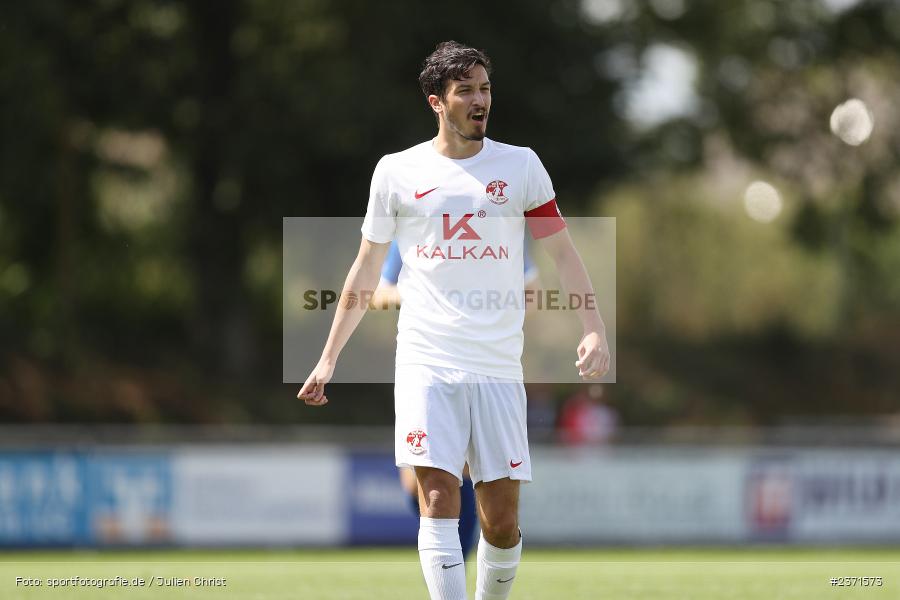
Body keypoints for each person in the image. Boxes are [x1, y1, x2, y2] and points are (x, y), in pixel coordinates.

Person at [298, 41, 610, 600]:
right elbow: (366, 268)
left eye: (485, 88)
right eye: (465, 90)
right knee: (438, 498)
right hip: (426, 362)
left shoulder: (521, 166)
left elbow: (564, 254)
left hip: (497, 368)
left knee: (501, 521)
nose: (480, 99)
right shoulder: (397, 172)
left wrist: (594, 328)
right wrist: (328, 358)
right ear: (436, 102)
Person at [375, 239, 541, 561]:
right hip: (426, 365)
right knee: (416, 485)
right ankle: (449, 557)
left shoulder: (499, 227)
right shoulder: (415, 228)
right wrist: (419, 295)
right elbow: (380, 293)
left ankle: (458, 564)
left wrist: (493, 319)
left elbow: (532, 291)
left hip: (483, 366)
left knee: (465, 476)